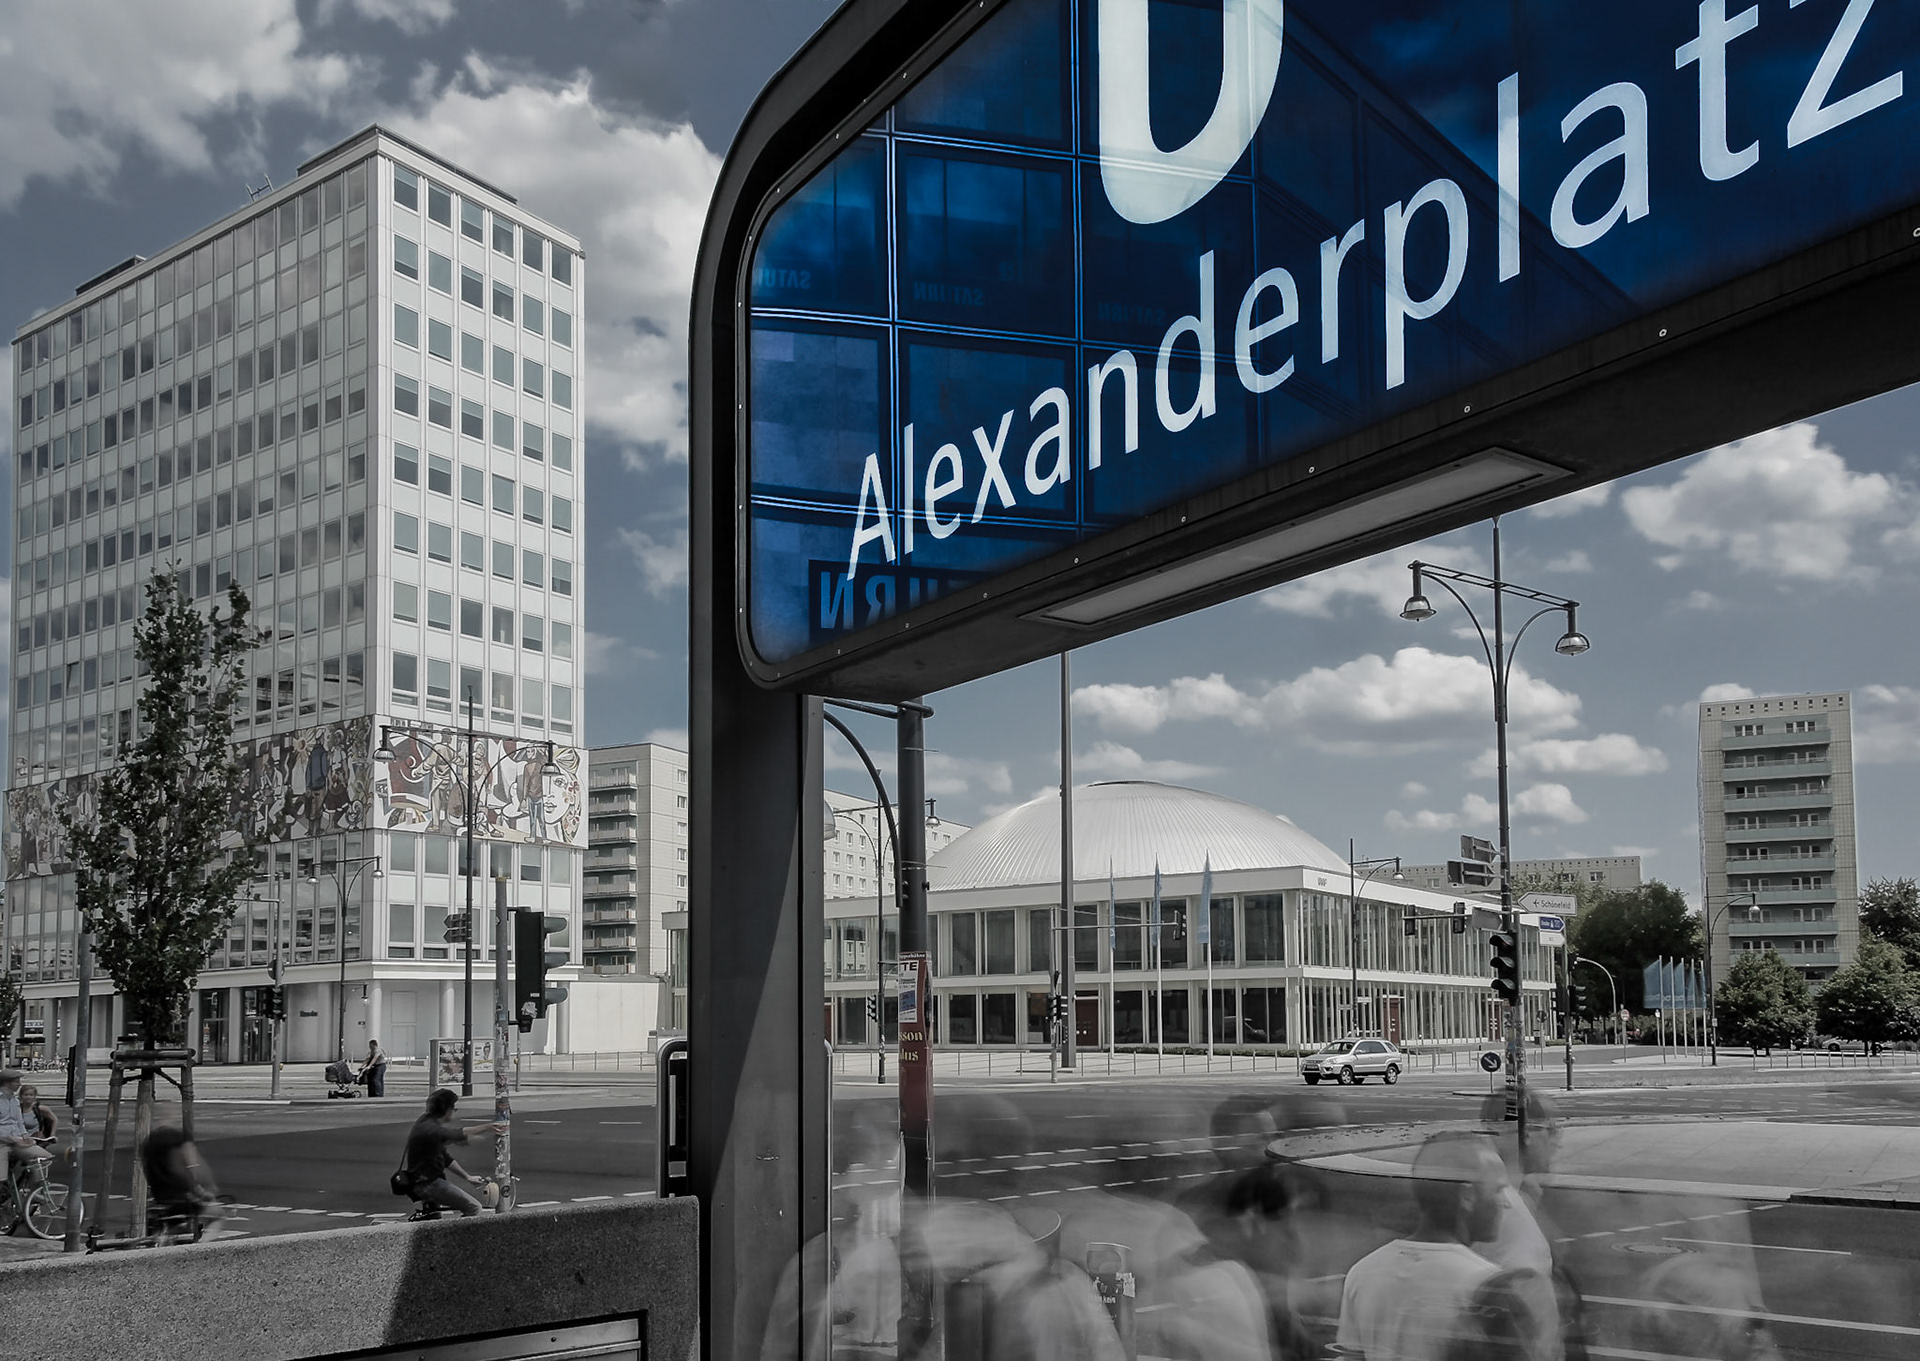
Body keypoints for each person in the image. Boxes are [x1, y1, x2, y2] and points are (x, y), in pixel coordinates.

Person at [1335, 1131, 1541, 1360]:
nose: (1505, 1203)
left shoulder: (1362, 1272)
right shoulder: (1487, 1286)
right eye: (1497, 1190)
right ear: (1467, 1196)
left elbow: (1351, 1356)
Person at [401, 1087, 502, 1217]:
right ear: (446, 1110)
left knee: (434, 1217)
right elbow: (454, 1134)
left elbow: (445, 1158)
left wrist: (468, 1177)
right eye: (453, 1109)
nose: (454, 1112)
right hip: (427, 1183)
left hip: (423, 1181)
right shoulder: (430, 1129)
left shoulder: (426, 1121)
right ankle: (460, 1237)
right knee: (473, 1207)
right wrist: (487, 1127)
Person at [140, 1127, 223, 1236]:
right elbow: (182, 1175)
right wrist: (201, 1193)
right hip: (181, 1205)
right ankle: (203, 1247)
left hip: (161, 1202)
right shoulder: (176, 1152)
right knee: (217, 1214)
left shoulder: (151, 1157)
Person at [0, 1069, 53, 1185]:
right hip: (2, 1143)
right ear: (6, 1082)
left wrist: (25, 1136)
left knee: (45, 1157)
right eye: (16, 1081)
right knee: (1, 1179)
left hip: (17, 1141)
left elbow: (19, 1123)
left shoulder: (15, 1101)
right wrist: (11, 1138)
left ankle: (32, 1192)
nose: (19, 1084)